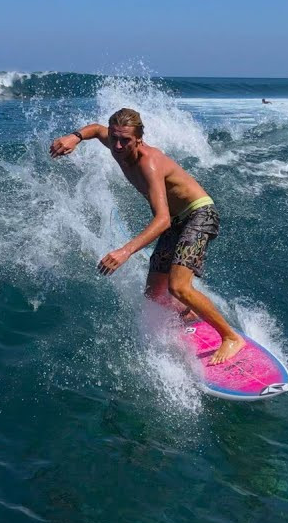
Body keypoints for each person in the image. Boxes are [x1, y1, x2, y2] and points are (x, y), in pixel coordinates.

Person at [49, 108, 247, 364]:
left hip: (199, 214)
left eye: (126, 141)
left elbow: (162, 219)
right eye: (115, 138)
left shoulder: (149, 163)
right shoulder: (113, 139)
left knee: (178, 286)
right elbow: (97, 129)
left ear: (139, 139)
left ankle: (230, 337)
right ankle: (189, 315)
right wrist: (75, 136)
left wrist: (125, 251)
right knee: (155, 294)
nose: (118, 146)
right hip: (177, 220)